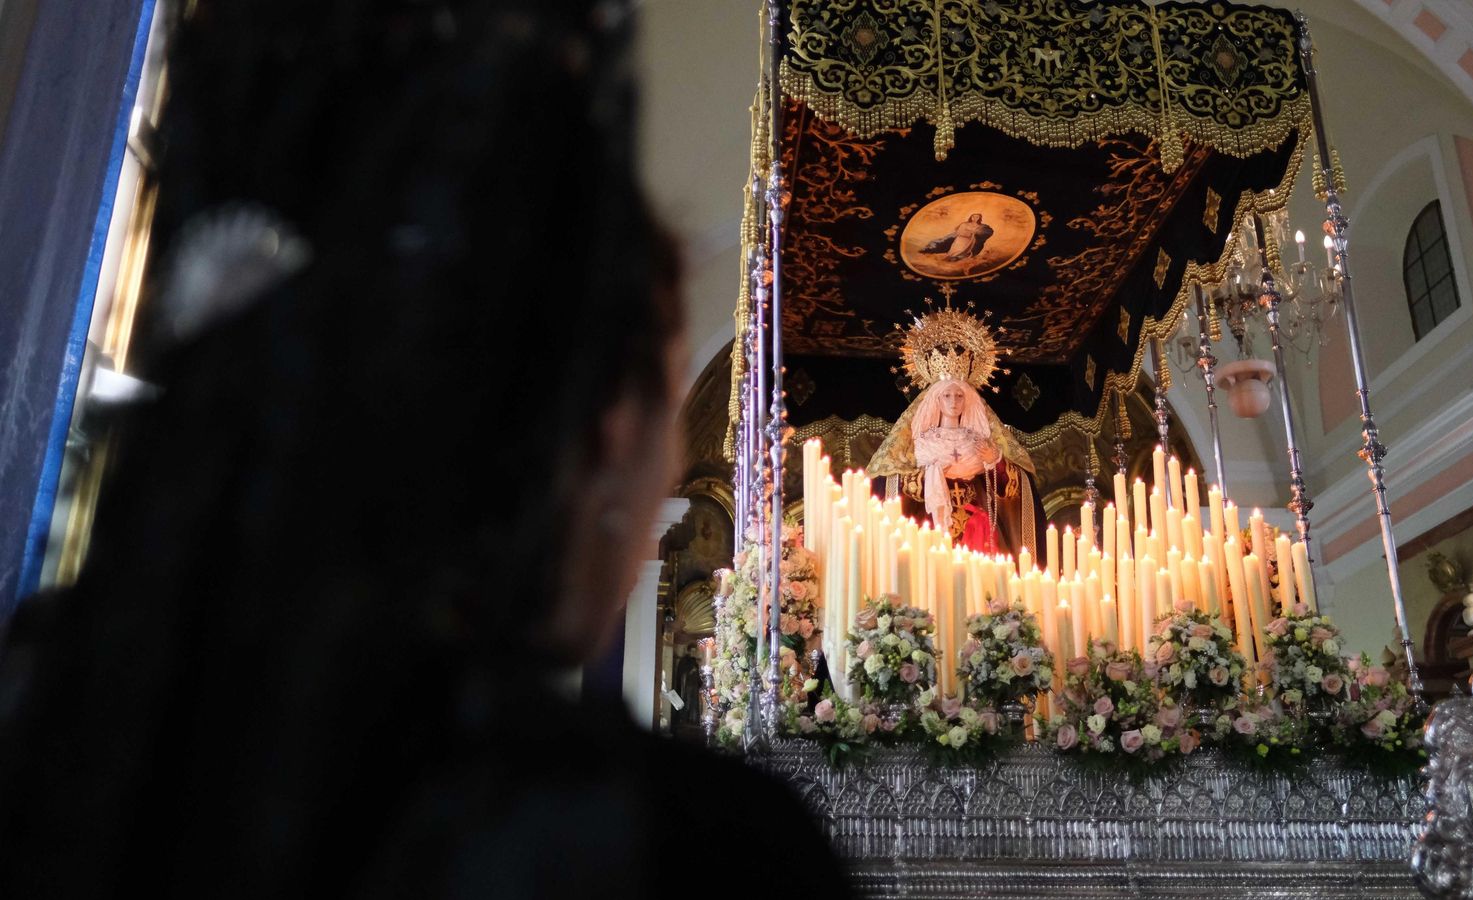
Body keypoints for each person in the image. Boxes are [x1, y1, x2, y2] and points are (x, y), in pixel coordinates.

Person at [0, 1, 849, 897]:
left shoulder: (50, 707)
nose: (673, 471)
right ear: (600, 432)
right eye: (667, 409)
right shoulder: (690, 846)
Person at [868, 377, 1044, 559]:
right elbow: (896, 481)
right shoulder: (922, 443)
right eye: (947, 395)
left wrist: (995, 461)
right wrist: (928, 477)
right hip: (931, 524)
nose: (954, 402)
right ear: (937, 399)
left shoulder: (977, 442)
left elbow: (1010, 488)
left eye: (959, 395)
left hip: (976, 527)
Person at [920, 212, 993, 261]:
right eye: (974, 216)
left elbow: (980, 233)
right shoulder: (964, 224)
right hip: (961, 239)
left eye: (977, 217)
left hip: (970, 241)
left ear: (979, 218)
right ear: (971, 217)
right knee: (956, 250)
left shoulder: (980, 226)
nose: (975, 218)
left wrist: (974, 234)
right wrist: (970, 233)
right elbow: (959, 232)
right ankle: (950, 258)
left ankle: (958, 259)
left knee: (965, 252)